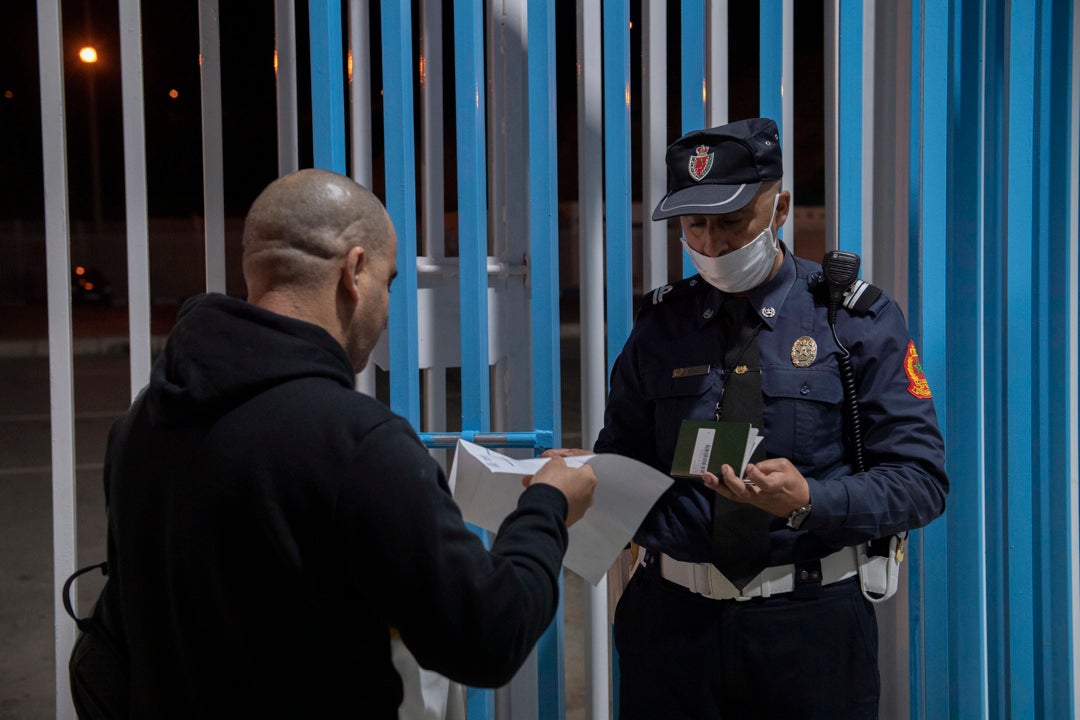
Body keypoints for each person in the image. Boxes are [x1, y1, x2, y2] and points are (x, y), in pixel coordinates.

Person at [90, 168, 596, 718]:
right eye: (390, 281)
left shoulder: (140, 425)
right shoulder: (357, 443)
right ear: (355, 271)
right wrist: (548, 506)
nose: (386, 305)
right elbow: (487, 637)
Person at [552, 118, 948, 718]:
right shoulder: (662, 326)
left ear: (780, 207)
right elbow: (624, 459)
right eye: (694, 225)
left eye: (732, 221)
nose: (710, 244)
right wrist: (584, 473)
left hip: (809, 631)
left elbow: (922, 482)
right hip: (671, 631)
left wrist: (810, 499)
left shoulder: (852, 320)